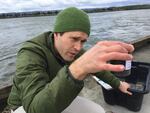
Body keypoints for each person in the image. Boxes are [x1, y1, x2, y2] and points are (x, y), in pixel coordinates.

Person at [6, 7, 134, 113]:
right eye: (74, 38)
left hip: (55, 94)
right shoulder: (31, 53)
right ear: (56, 34)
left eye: (83, 41)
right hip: (24, 106)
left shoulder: (74, 51)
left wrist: (118, 84)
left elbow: (98, 70)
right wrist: (77, 69)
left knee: (98, 111)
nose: (78, 47)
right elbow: (35, 108)